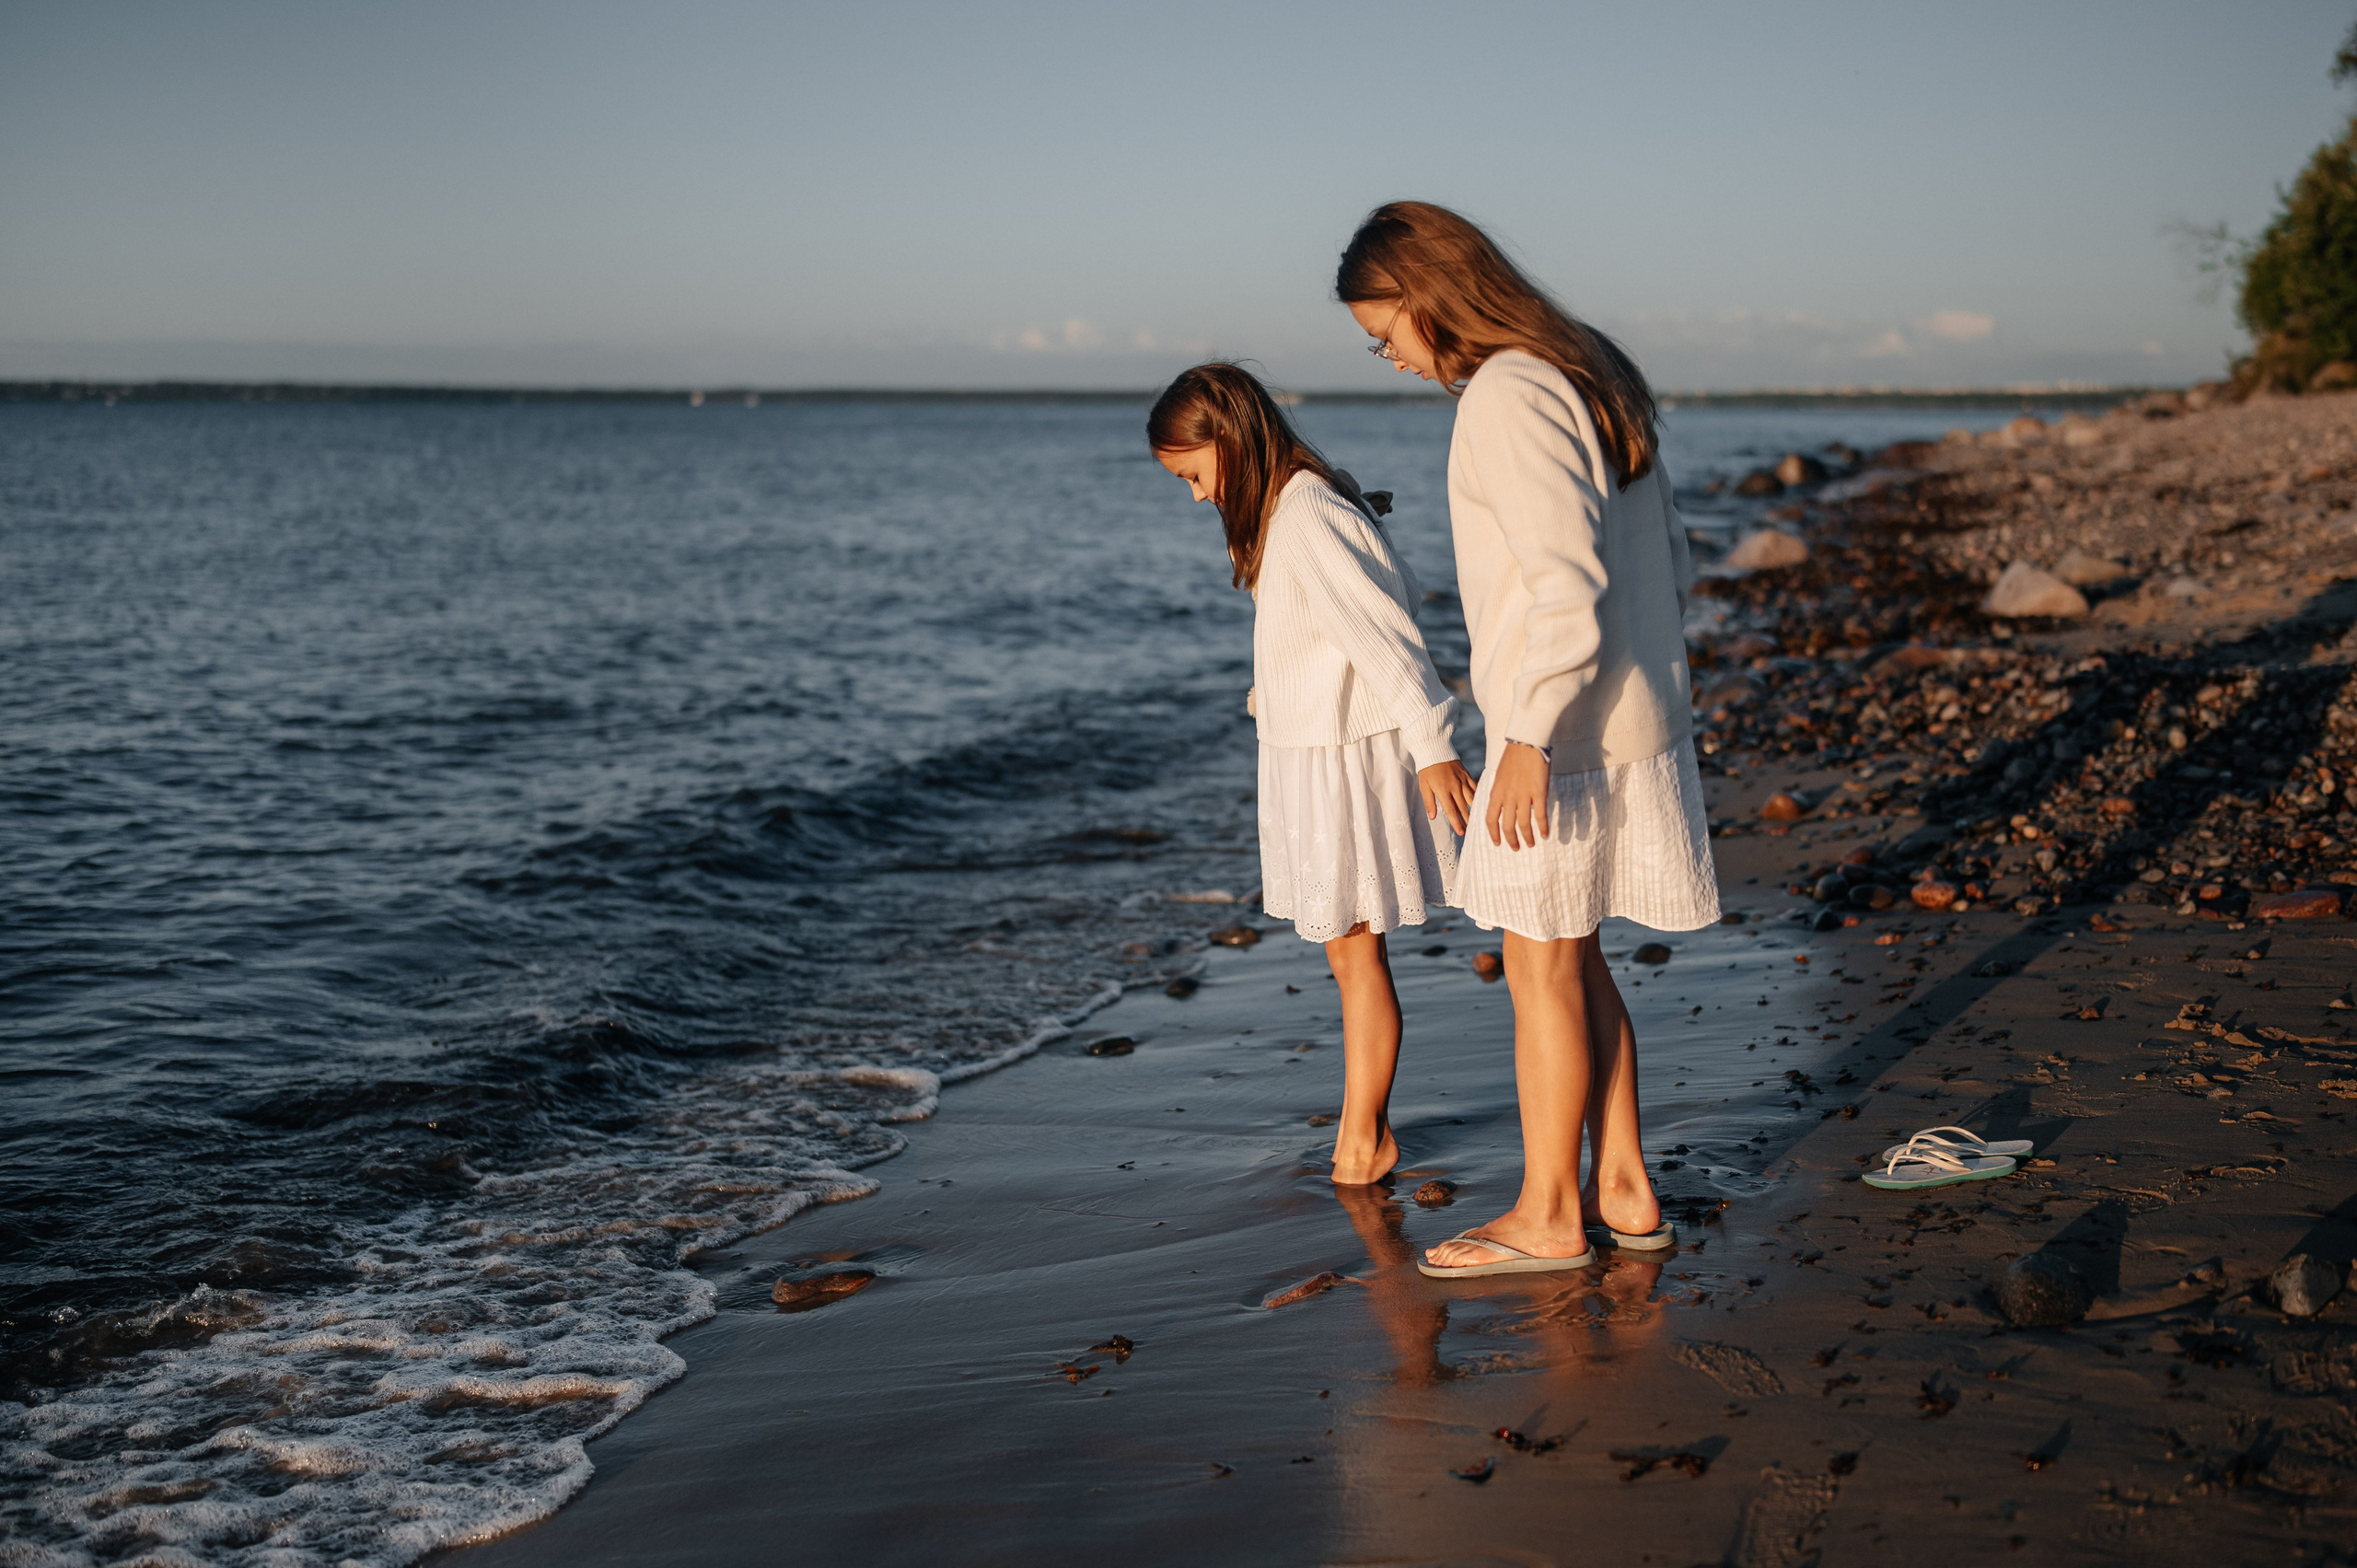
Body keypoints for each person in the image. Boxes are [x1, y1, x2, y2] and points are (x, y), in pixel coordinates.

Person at [1334, 203, 1720, 1277]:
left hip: (1563, 736)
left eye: (1386, 332)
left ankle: (1551, 1213)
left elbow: (1564, 585)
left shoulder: (1507, 392)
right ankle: (1624, 1187)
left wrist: (1527, 735)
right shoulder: (1587, 368)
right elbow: (1669, 555)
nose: (1390, 358)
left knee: (1539, 967)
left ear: (1429, 294)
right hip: (1621, 720)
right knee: (1577, 957)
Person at [1147, 363, 1477, 1184]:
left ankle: (1365, 1138)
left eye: (1193, 475)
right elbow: (1317, 630)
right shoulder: (1295, 507)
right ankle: (1363, 1128)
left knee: (1357, 953)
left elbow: (1383, 633)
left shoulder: (1306, 513)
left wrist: (1433, 742)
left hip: (1341, 759)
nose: (1194, 496)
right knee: (1350, 954)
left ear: (1227, 439)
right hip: (1315, 745)